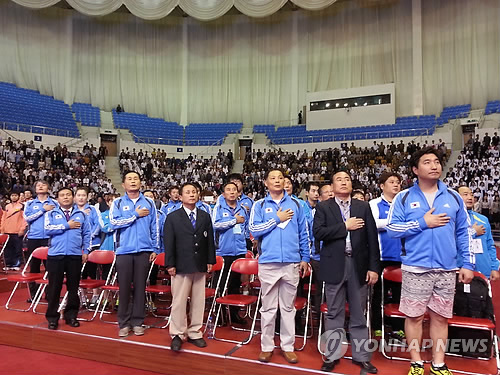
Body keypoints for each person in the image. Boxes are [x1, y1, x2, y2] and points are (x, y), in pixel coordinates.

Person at [387, 147, 474, 375]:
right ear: (416, 170)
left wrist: (467, 263)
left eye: (436, 161)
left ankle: (438, 362)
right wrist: (422, 223)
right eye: (427, 162)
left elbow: (464, 232)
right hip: (416, 268)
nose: (434, 165)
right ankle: (416, 362)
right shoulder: (404, 197)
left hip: (447, 268)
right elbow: (393, 228)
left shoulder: (454, 197)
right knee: (414, 317)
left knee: (440, 318)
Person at [314, 170, 380, 373]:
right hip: (334, 263)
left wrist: (373, 267)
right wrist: (345, 226)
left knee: (359, 313)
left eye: (347, 179)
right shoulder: (324, 207)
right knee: (334, 312)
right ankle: (332, 354)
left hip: (358, 265)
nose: (343, 182)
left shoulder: (362, 206)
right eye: (339, 180)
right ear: (332, 187)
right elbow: (318, 233)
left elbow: (372, 239)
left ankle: (361, 356)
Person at [249, 169, 309, 364]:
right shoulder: (259, 205)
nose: (277, 181)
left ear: (285, 182)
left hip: (291, 262)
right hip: (268, 262)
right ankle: (266, 347)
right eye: (272, 178)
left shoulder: (297, 205)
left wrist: (305, 258)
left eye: (280, 178)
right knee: (268, 308)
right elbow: (254, 229)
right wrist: (276, 219)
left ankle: (287, 346)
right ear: (265, 182)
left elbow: (303, 233)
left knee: (288, 308)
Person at [165, 182, 216, 351]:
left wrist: (210, 260)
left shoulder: (204, 216)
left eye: (194, 192)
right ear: (180, 196)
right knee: (179, 301)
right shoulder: (173, 217)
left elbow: (210, 241)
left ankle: (195, 331)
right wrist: (170, 263)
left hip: (200, 263)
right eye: (187, 192)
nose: (192, 194)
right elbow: (169, 243)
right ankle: (178, 333)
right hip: (180, 264)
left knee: (198, 301)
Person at [109, 171, 159, 337]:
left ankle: (138, 321)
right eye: (129, 179)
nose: (133, 181)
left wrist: (154, 248)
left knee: (140, 288)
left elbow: (155, 227)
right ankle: (123, 322)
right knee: (124, 288)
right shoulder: (117, 203)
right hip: (124, 251)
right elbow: (114, 223)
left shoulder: (150, 203)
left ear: (141, 183)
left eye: (136, 178)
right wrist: (135, 215)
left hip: (144, 251)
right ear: (123, 184)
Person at [44, 187, 91, 330]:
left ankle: (71, 316)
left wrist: (86, 251)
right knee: (54, 288)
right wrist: (66, 226)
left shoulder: (81, 215)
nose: (65, 197)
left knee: (73, 288)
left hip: (74, 255)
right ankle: (52, 318)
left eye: (68, 195)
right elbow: (47, 230)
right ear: (57, 199)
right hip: (55, 256)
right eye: (62, 195)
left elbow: (87, 234)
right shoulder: (51, 213)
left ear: (73, 197)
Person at [369, 172, 403, 338]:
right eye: (392, 182)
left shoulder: (404, 203)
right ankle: (378, 325)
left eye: (398, 182)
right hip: (381, 257)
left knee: (400, 295)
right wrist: (397, 223)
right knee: (378, 295)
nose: (396, 185)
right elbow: (374, 223)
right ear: (382, 186)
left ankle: (398, 327)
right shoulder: (374, 204)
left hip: (402, 257)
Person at [212, 182, 248, 325]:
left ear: (238, 193)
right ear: (223, 193)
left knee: (235, 284)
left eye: (234, 190)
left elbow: (245, 228)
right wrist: (234, 221)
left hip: (239, 251)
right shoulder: (218, 208)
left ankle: (234, 314)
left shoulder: (243, 209)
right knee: (220, 284)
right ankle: (219, 314)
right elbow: (215, 224)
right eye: (228, 190)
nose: (232, 192)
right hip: (223, 252)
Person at [23, 181, 58, 300]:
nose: (41, 186)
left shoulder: (55, 203)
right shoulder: (30, 203)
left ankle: (50, 294)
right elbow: (27, 218)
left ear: (48, 187)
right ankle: (34, 294)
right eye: (38, 185)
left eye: (43, 185)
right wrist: (42, 210)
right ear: (35, 189)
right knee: (34, 267)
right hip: (34, 238)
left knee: (51, 267)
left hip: (50, 237)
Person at [457, 186, 499, 280]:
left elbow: (490, 245)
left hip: (483, 270)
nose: (470, 197)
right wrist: (473, 232)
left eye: (471, 194)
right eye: (465, 194)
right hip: (461, 269)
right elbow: (450, 242)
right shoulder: (452, 220)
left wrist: (494, 268)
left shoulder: (483, 219)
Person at [0, 191, 27, 271]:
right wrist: (2, 229)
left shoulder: (22, 206)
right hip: (7, 231)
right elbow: (3, 218)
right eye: (12, 195)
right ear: (10, 197)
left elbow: (24, 219)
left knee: (17, 249)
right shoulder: (7, 206)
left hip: (17, 231)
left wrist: (22, 229)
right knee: (7, 249)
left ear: (19, 196)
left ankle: (17, 264)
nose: (14, 197)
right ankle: (8, 264)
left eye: (16, 195)